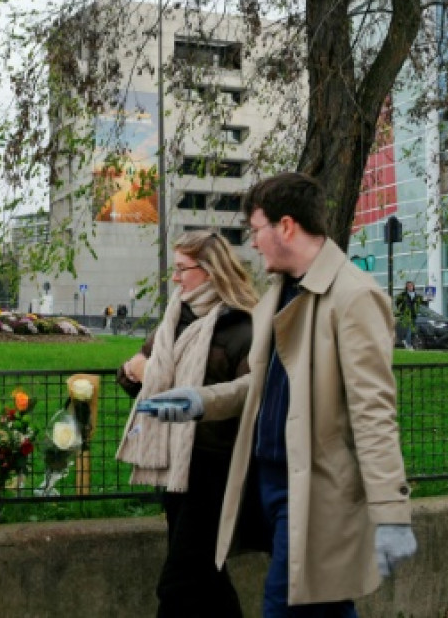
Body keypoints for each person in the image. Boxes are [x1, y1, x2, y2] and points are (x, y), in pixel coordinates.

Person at [145, 172, 416, 616]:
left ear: (286, 226)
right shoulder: (279, 294)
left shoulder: (353, 296)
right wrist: (201, 401)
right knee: (323, 608)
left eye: (256, 230)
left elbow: (374, 414)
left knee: (285, 606)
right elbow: (262, 385)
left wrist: (390, 512)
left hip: (313, 491)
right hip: (268, 484)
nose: (252, 243)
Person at [115, 231, 260, 618]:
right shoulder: (175, 319)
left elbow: (248, 399)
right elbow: (133, 376)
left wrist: (156, 378)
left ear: (210, 271)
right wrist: (135, 373)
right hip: (176, 465)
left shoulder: (241, 326)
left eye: (182, 269)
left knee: (178, 583)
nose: (175, 278)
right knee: (208, 578)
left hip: (217, 466)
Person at [393, 282, 421, 350]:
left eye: (411, 286)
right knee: (409, 329)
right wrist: (402, 309)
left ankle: (408, 342)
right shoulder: (403, 295)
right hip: (407, 314)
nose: (410, 287)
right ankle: (407, 343)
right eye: (408, 286)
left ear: (413, 286)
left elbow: (418, 303)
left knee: (413, 330)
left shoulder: (416, 295)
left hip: (413, 314)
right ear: (406, 287)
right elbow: (397, 302)